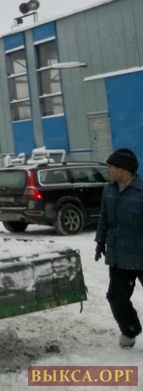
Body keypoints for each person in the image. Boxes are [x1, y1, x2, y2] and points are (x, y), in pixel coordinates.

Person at [95, 148, 143, 348]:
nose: (108, 169)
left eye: (111, 166)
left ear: (123, 170)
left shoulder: (141, 191)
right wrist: (100, 240)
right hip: (118, 256)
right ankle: (130, 329)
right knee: (115, 297)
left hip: (141, 254)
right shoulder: (109, 189)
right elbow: (104, 216)